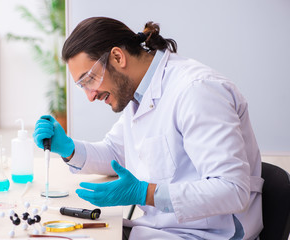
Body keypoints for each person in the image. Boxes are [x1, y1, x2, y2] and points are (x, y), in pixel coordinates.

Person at [33, 17, 263, 240]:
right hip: (161, 229)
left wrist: (146, 193)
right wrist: (69, 149)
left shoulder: (197, 91)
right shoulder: (139, 95)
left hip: (209, 234)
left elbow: (232, 190)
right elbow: (115, 153)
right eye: (82, 85)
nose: (90, 96)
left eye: (89, 80)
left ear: (117, 57)